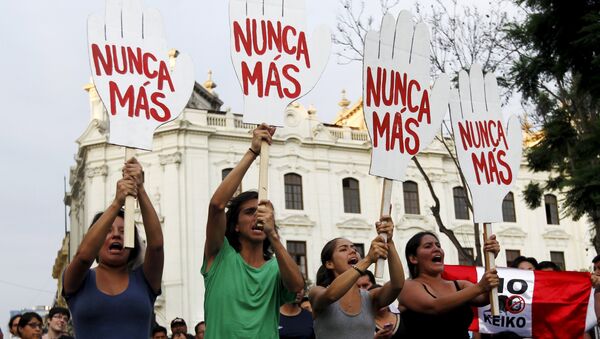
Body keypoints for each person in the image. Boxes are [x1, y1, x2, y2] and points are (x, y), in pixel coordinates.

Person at [202, 124, 304, 338]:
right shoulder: (220, 256)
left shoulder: (277, 268)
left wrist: (274, 235)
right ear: (235, 225)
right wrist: (253, 152)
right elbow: (217, 206)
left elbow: (296, 286)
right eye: (250, 212)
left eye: (265, 213)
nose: (258, 216)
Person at [62, 158, 163, 339]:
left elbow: (156, 246)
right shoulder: (78, 280)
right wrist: (117, 202)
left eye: (124, 231)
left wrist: (140, 189)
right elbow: (83, 257)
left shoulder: (144, 280)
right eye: (107, 231)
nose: (116, 235)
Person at [310, 216, 405, 339]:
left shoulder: (370, 298)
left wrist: (389, 242)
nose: (352, 251)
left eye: (355, 249)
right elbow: (331, 295)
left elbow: (397, 285)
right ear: (329, 264)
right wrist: (368, 260)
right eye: (343, 249)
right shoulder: (316, 291)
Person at [398, 232, 500, 339]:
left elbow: (486, 298)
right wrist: (479, 287)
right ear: (413, 258)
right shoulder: (406, 286)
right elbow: (435, 306)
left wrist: (490, 259)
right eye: (428, 246)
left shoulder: (460, 285)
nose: (436, 249)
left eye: (438, 246)